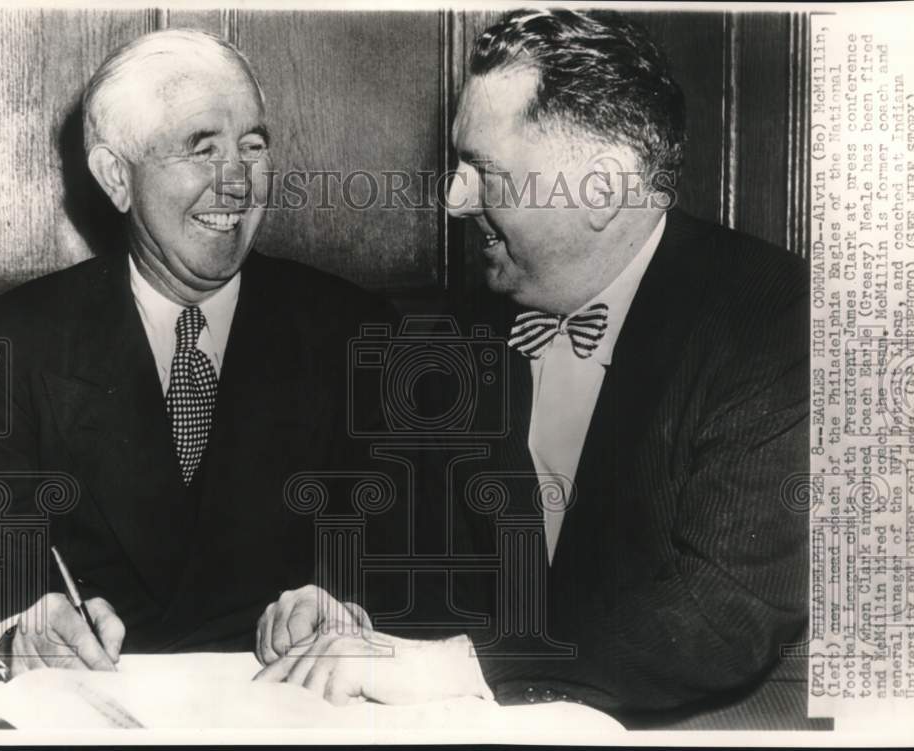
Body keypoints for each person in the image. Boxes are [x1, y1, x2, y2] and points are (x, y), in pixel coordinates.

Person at [254, 9, 809, 722]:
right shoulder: (454, 334)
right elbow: (410, 560)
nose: (453, 200)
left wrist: (455, 665)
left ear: (603, 189)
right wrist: (340, 607)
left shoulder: (777, 318)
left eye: (482, 171)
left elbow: (721, 613)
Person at [0, 29, 392, 680]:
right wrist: (17, 633)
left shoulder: (357, 333)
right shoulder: (16, 340)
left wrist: (346, 609)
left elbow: (413, 568)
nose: (238, 182)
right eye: (201, 149)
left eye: (253, 147)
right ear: (116, 176)